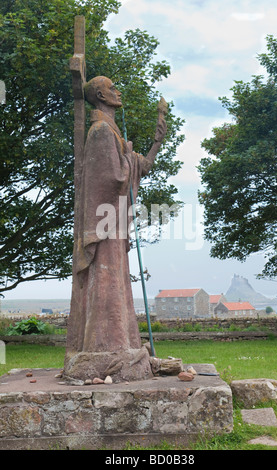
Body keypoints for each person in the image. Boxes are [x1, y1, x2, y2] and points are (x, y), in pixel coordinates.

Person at [64, 76, 167, 382]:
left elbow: (139, 167)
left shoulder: (112, 133)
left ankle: (120, 344)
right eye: (112, 88)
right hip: (104, 226)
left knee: (117, 284)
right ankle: (103, 348)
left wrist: (157, 140)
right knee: (106, 284)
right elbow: (111, 179)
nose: (118, 91)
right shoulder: (100, 132)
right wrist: (127, 157)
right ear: (100, 95)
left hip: (113, 227)